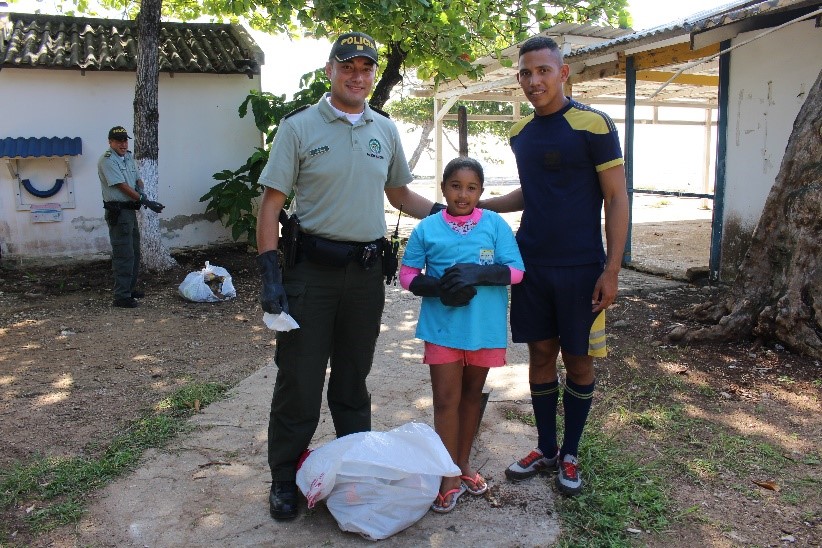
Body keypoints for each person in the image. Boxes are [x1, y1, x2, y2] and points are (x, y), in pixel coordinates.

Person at [255, 31, 444, 521]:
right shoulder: (298, 127)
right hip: (310, 276)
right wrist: (270, 274)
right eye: (348, 67)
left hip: (364, 277)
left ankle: (356, 469)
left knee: (353, 379)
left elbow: (400, 195)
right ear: (330, 71)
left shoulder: (385, 129)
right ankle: (283, 477)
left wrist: (449, 215)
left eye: (366, 68)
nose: (357, 76)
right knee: (299, 379)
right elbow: (271, 205)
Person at [480, 36, 629, 496]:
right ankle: (546, 448)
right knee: (541, 356)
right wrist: (482, 206)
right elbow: (533, 192)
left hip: (582, 267)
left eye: (543, 70)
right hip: (532, 265)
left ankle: (571, 453)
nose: (534, 80)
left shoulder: (594, 124)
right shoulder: (521, 134)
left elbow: (616, 197)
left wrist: (611, 270)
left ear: (563, 73)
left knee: (579, 361)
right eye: (526, 73)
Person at [400, 156, 524, 513]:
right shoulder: (428, 228)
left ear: (481, 192)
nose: (463, 195)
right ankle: (447, 474)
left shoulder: (494, 224)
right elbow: (407, 275)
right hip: (442, 330)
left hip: (483, 330)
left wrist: (478, 273)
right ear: (443, 189)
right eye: (455, 186)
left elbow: (517, 272)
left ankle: (463, 463)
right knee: (445, 401)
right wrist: (438, 288)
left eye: (471, 188)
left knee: (471, 397)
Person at [98, 126, 164, 308]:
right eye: (118, 141)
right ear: (110, 142)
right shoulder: (107, 161)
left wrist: (142, 192)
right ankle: (121, 296)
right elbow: (122, 186)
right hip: (118, 212)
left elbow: (137, 179)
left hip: (130, 211)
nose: (123, 144)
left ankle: (129, 289)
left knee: (134, 251)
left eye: (125, 140)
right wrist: (144, 200)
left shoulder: (128, 157)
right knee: (123, 254)